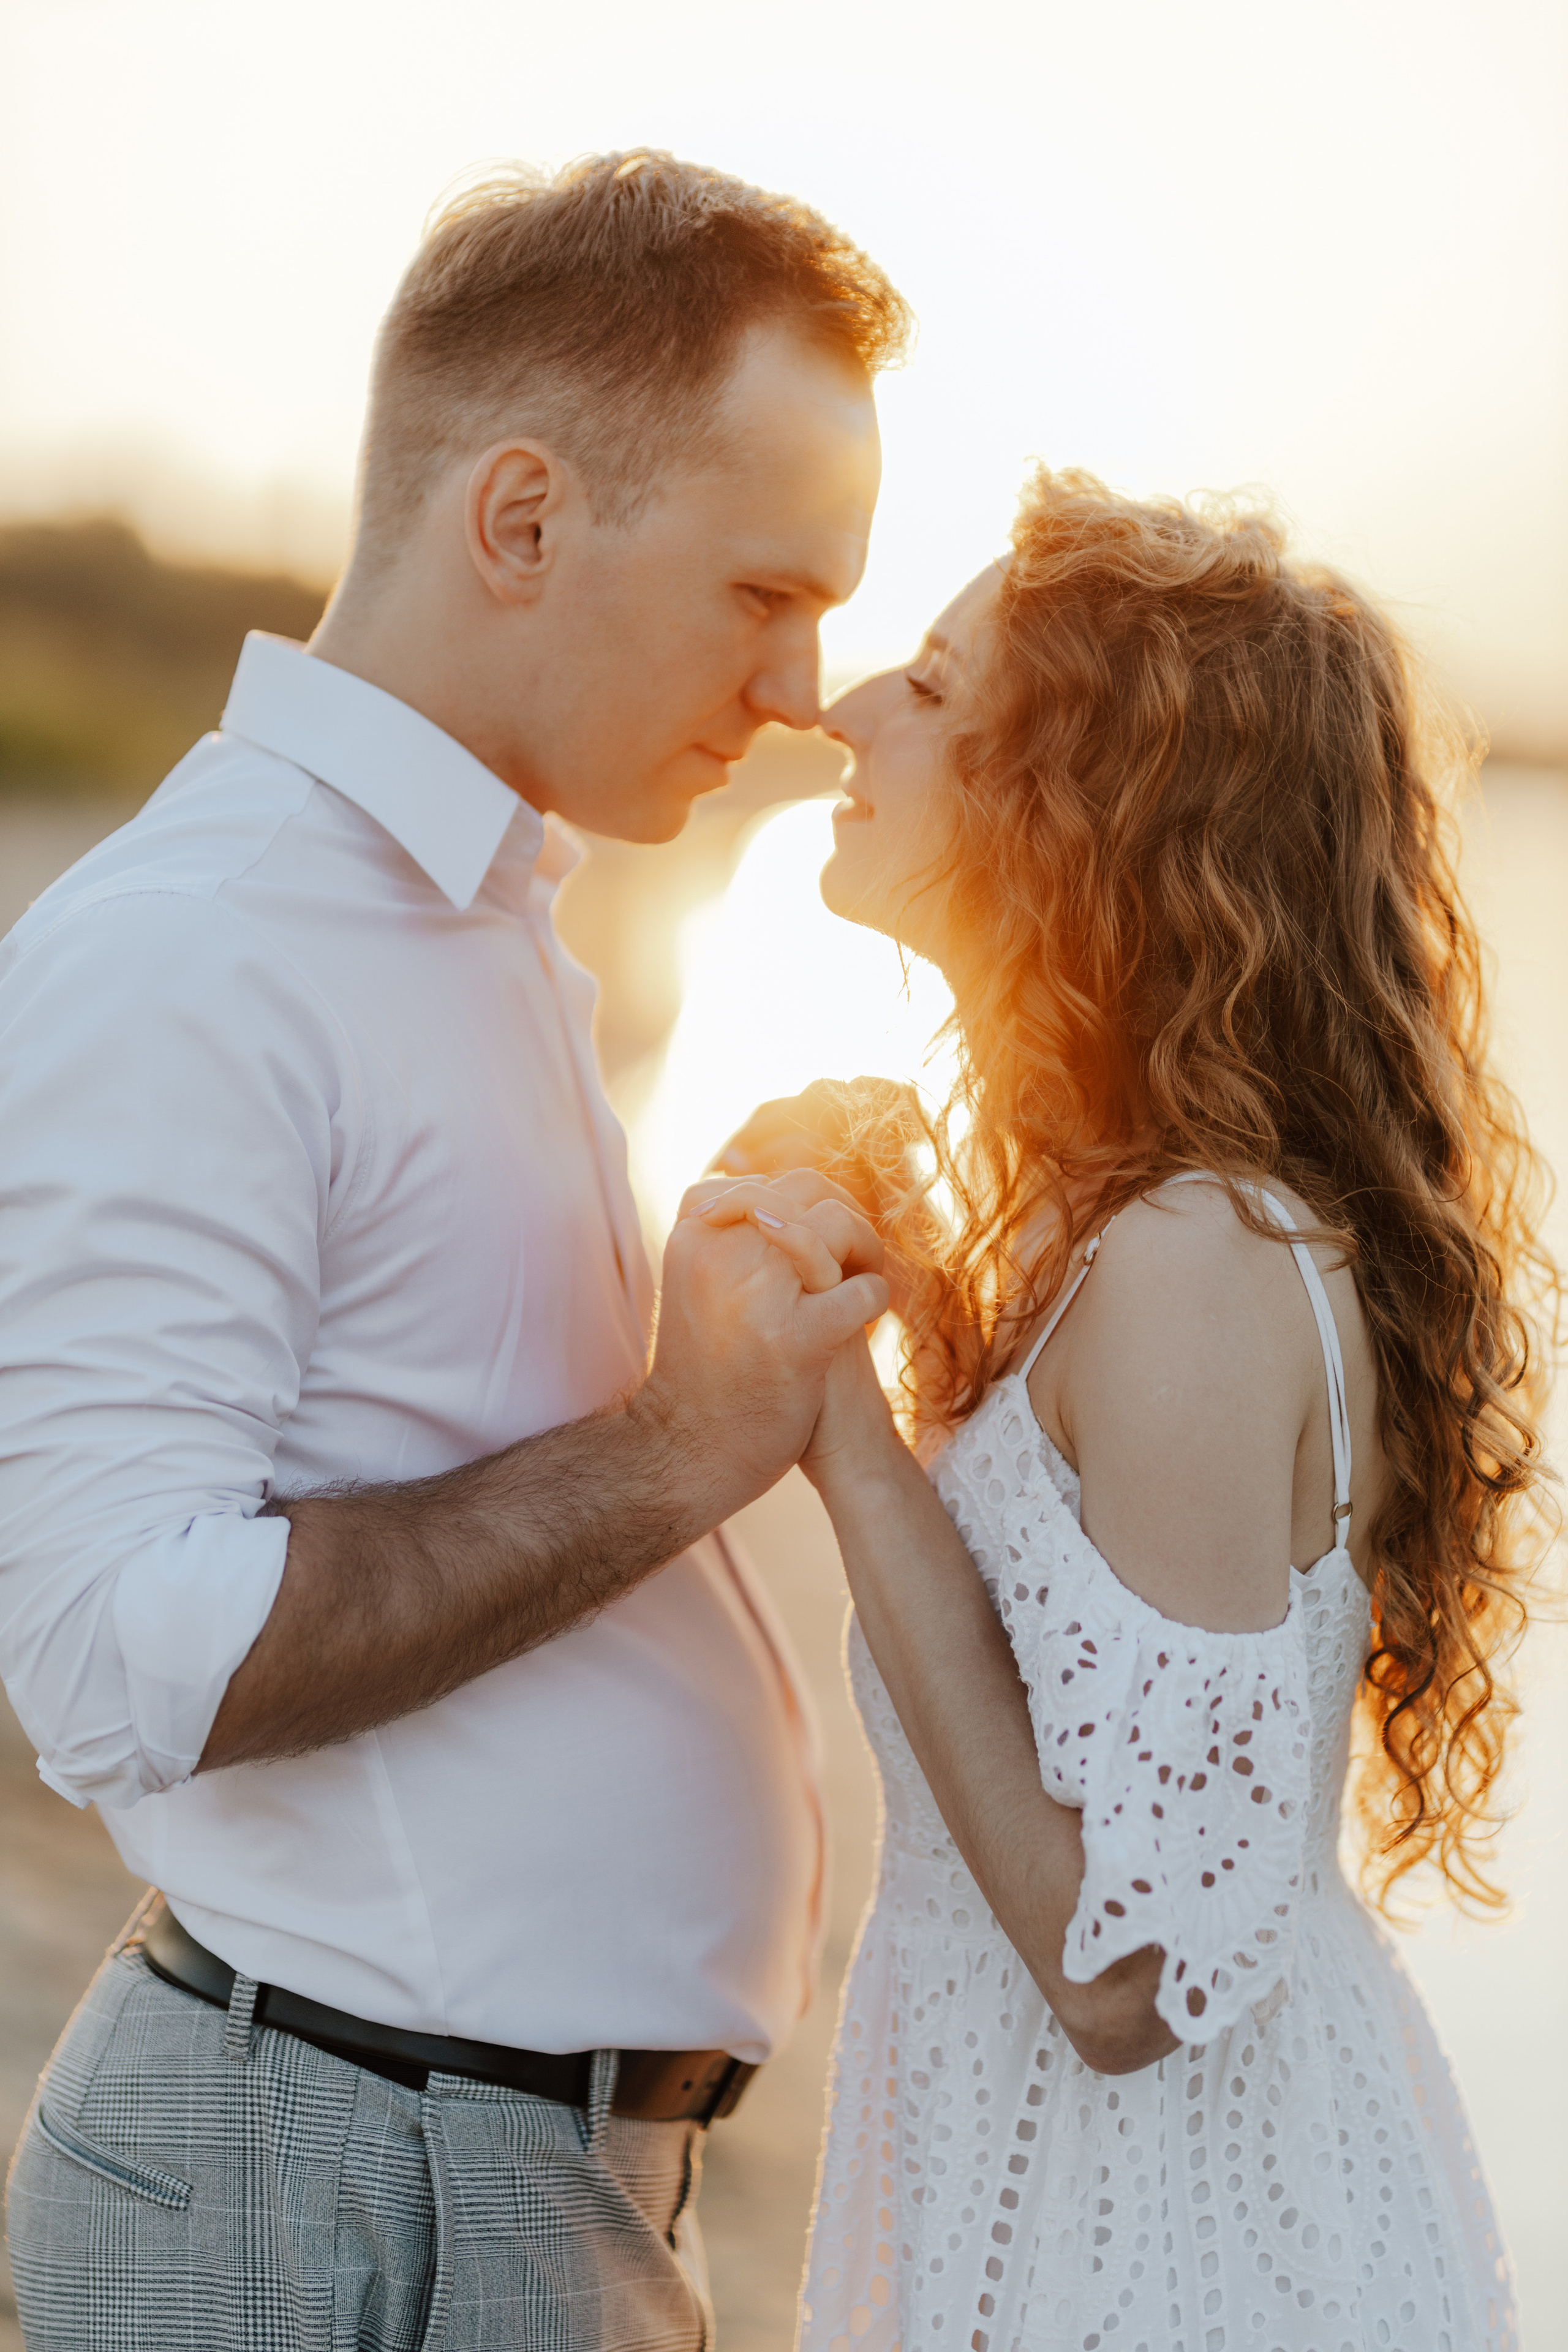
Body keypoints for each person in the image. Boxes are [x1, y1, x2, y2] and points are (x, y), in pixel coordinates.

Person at [0, 151, 902, 2351]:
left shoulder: (478, 919)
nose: (807, 686)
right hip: (328, 2193)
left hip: (464, 2178)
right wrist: (682, 1446)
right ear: (519, 521)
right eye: (763, 591)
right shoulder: (205, 946)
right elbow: (113, 1658)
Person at [703, 471, 1550, 2350]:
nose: (847, 709)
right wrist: (910, 1308)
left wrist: (844, 1430)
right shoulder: (1107, 1226)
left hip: (1182, 2251)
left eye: (933, 685)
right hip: (1068, 2199)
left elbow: (1135, 1977)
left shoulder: (1196, 1260)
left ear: (1081, 806)